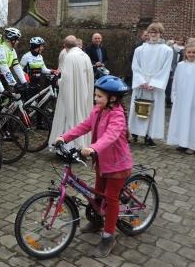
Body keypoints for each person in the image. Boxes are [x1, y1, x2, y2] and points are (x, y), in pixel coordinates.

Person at [54, 75, 133, 258]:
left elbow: (111, 136)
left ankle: (108, 237)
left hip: (117, 165)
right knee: (98, 193)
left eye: (99, 96)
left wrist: (92, 148)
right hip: (102, 162)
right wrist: (64, 137)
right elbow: (84, 126)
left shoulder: (117, 115)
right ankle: (98, 221)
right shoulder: (98, 110)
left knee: (111, 199)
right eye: (95, 95)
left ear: (112, 98)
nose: (95, 99)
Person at [128, 22, 173, 147]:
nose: (153, 34)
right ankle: (135, 133)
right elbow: (135, 66)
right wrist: (141, 81)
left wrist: (154, 83)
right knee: (137, 108)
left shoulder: (167, 51)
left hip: (155, 87)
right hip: (141, 84)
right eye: (151, 32)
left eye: (156, 32)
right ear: (148, 33)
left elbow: (166, 69)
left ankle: (149, 136)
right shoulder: (139, 49)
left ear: (160, 33)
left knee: (153, 111)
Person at [49, 35, 94, 149]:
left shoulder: (69, 57)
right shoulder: (85, 55)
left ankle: (70, 147)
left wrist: (58, 82)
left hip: (71, 94)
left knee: (69, 117)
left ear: (65, 46)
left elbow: (66, 78)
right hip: (84, 93)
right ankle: (82, 144)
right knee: (82, 117)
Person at [167, 42, 195, 154]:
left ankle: (192, 146)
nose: (191, 54)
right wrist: (174, 96)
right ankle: (182, 143)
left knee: (194, 122)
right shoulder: (181, 65)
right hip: (182, 99)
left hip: (194, 100)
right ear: (185, 53)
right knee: (182, 121)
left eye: (193, 52)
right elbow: (175, 81)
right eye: (189, 52)